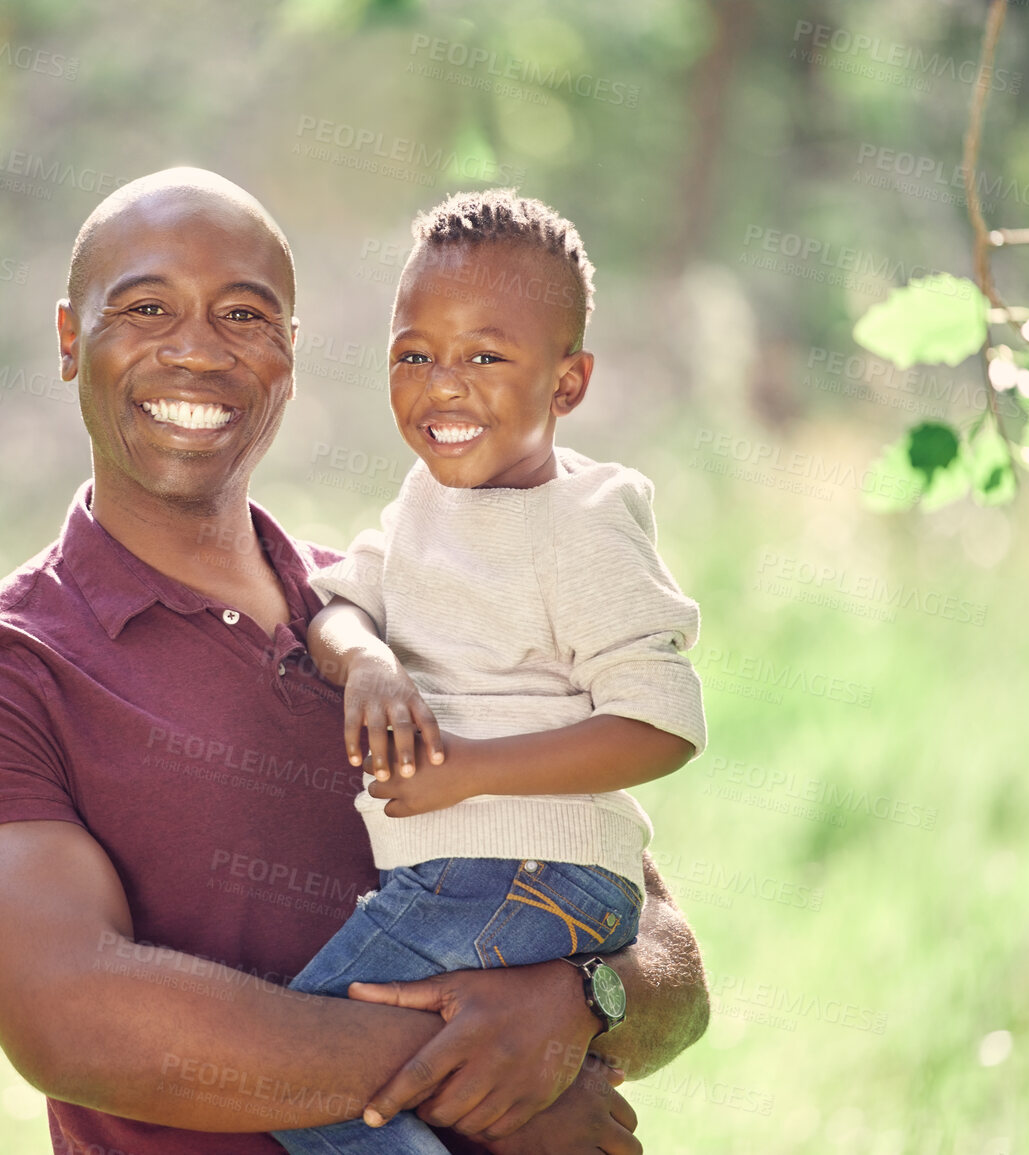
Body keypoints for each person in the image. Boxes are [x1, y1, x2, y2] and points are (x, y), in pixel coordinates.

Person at [0, 168, 710, 1155]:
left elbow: (667, 958)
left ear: (290, 356)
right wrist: (493, 1069)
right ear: (70, 339)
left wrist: (578, 1006)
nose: (195, 350)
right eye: (146, 308)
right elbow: (76, 1020)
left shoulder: (418, 605)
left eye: (243, 314)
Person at [270, 190, 706, 1155]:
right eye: (413, 354)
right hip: (467, 877)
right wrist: (370, 663)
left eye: (484, 355)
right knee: (404, 1072)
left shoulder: (582, 520)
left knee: (299, 1065)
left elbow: (661, 722)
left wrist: (467, 766)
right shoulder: (423, 505)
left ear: (568, 382)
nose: (442, 385)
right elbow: (336, 607)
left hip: (518, 871)